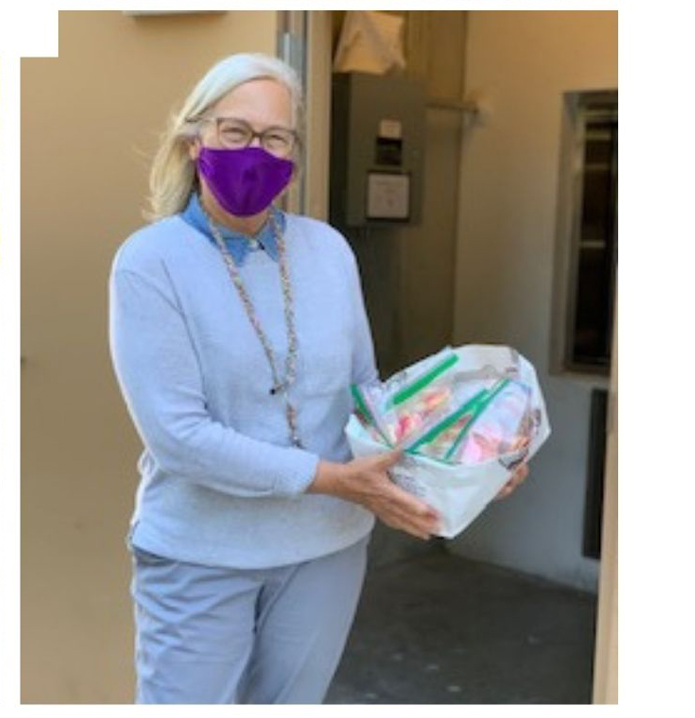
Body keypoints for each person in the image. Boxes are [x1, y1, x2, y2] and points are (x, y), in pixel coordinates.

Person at [109, 53, 525, 703]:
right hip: (203, 553)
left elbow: (366, 396)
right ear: (195, 142)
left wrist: (464, 459)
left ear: (293, 158)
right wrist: (333, 480)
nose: (256, 151)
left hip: (327, 547)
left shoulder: (327, 250)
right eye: (236, 131)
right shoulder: (151, 262)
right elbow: (179, 437)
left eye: (275, 138)